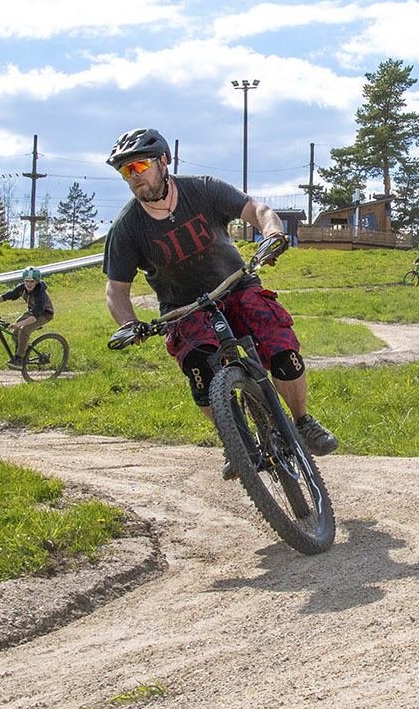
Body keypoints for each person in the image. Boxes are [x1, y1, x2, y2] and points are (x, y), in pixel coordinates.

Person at [100, 127, 338, 479]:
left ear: (164, 161)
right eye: (126, 171)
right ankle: (237, 443)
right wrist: (128, 324)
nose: (133, 177)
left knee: (281, 349)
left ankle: (302, 422)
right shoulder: (127, 228)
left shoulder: (203, 190)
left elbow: (257, 209)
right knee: (200, 371)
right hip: (183, 309)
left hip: (236, 286)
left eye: (140, 166)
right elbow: (115, 290)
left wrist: (272, 233)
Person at [0, 266, 54, 369]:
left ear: (37, 282)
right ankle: (24, 352)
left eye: (32, 281)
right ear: (23, 280)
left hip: (43, 315)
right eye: (26, 281)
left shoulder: (41, 295)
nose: (28, 284)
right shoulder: (22, 288)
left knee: (24, 330)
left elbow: (35, 317)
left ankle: (18, 359)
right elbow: (6, 296)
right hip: (31, 312)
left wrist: (19, 324)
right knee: (15, 334)